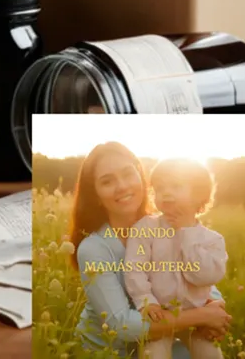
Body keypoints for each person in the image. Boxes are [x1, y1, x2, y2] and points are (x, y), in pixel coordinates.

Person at [70, 142, 231, 356]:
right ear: (96, 196)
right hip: (110, 350)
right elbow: (121, 325)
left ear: (141, 177)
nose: (122, 186)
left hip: (162, 335)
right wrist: (202, 316)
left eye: (128, 174)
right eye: (107, 181)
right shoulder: (93, 248)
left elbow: (192, 273)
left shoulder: (167, 225)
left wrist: (214, 304)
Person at [124, 158, 227, 359]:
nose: (166, 193)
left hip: (196, 319)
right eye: (160, 188)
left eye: (176, 186)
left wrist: (186, 232)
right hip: (160, 315)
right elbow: (134, 269)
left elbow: (204, 277)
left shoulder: (212, 240)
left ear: (198, 195)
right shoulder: (145, 229)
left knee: (210, 354)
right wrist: (146, 302)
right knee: (153, 355)